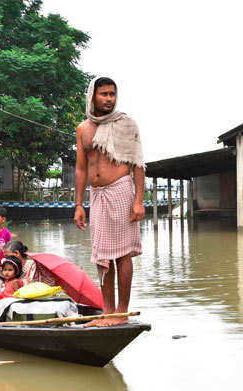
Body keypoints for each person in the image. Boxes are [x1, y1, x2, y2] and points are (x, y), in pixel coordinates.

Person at [74, 76, 145, 325]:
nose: (109, 99)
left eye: (112, 94)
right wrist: (78, 205)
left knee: (122, 254)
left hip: (121, 191)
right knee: (102, 255)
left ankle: (121, 312)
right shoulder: (83, 129)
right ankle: (108, 311)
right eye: (103, 94)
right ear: (93, 96)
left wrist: (139, 200)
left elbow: (137, 164)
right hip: (97, 196)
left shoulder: (126, 124)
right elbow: (81, 169)